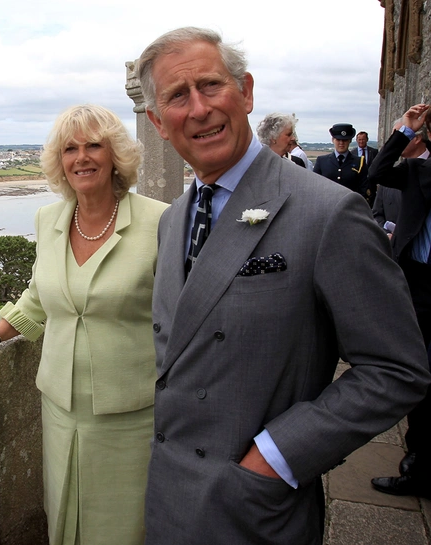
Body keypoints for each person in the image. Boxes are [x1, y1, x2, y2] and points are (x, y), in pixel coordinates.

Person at [136, 26, 430, 545]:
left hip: (253, 509)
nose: (200, 108)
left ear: (246, 92)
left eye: (211, 85)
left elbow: (396, 369)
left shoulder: (328, 212)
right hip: (168, 496)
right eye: (178, 96)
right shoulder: (173, 219)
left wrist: (276, 457)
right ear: (158, 122)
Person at [0, 104, 168, 545]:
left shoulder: (160, 221)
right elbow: (39, 296)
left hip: (130, 413)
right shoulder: (48, 219)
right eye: (70, 148)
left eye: (94, 146)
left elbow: (183, 313)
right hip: (59, 407)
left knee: (123, 528)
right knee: (64, 519)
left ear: (116, 156)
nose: (82, 157)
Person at [367, 104, 431, 500]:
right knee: (420, 373)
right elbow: (377, 172)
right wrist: (405, 130)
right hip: (421, 283)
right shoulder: (419, 171)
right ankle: (418, 463)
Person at [372, 119, 429, 235]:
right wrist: (386, 235)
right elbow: (377, 214)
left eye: (400, 136)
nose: (395, 142)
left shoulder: (428, 169)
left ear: (417, 138)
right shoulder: (390, 173)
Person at [314, 123, 374, 205]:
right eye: (338, 140)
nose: (341, 143)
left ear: (350, 141)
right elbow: (315, 187)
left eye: (345, 140)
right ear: (333, 140)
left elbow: (363, 189)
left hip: (350, 207)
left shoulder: (359, 162)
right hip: (327, 207)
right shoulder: (322, 161)